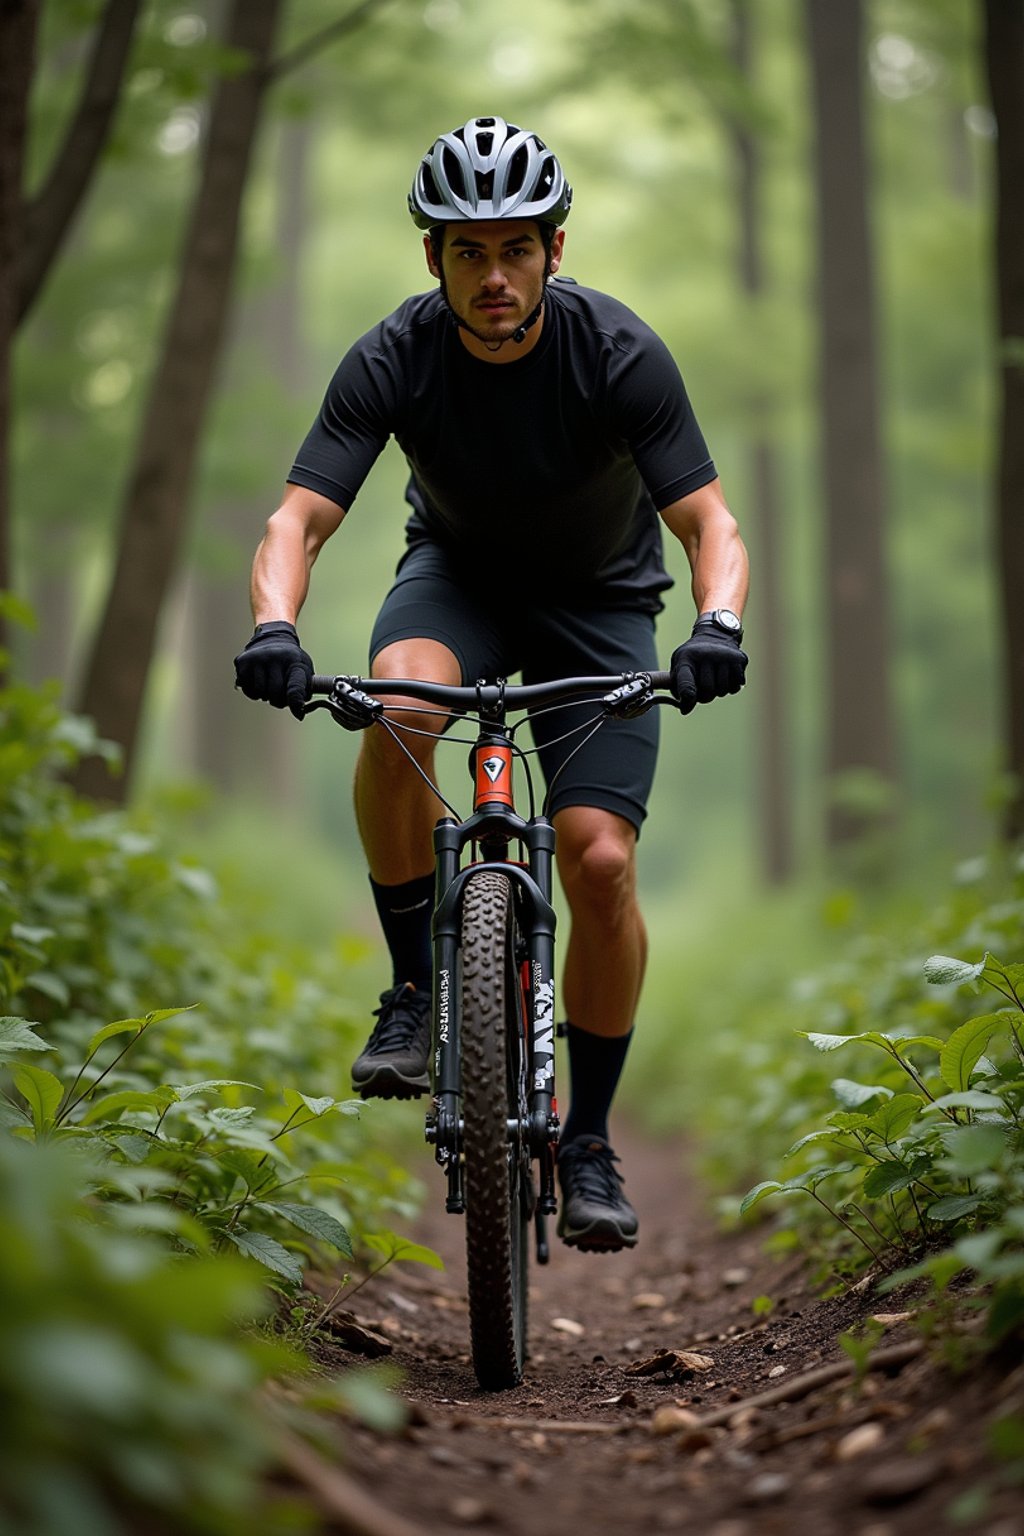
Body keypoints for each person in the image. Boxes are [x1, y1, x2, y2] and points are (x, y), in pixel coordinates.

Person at [234, 116, 749, 1254]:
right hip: (454, 584)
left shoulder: (619, 354)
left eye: (515, 248)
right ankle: (416, 989)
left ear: (554, 250)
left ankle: (591, 1142)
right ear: (434, 261)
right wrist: (274, 623)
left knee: (598, 858)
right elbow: (298, 516)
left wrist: (715, 622)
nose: (494, 275)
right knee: (398, 704)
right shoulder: (393, 356)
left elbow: (707, 520)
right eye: (468, 252)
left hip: (599, 608)